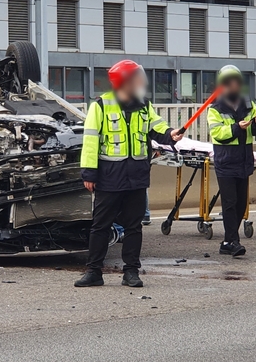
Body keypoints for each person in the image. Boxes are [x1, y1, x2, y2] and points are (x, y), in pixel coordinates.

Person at [75, 60, 183, 287]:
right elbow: (91, 141)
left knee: (134, 227)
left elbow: (158, 128)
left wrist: (171, 134)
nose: (140, 82)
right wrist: (89, 174)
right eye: (136, 78)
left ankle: (131, 272)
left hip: (136, 175)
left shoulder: (144, 104)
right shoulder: (101, 105)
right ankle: (94, 271)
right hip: (109, 175)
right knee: (100, 225)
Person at [207, 65, 256, 257]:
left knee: (241, 204)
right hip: (226, 161)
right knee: (230, 203)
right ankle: (233, 241)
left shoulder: (247, 103)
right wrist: (237, 127)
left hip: (243, 160)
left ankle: (227, 240)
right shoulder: (215, 108)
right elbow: (218, 133)